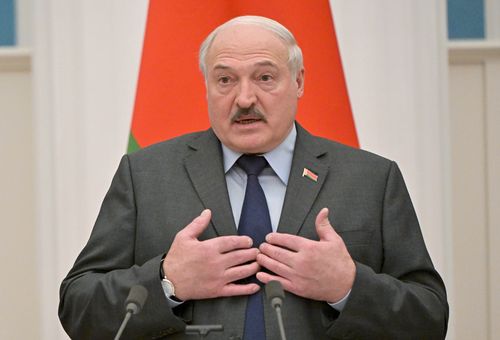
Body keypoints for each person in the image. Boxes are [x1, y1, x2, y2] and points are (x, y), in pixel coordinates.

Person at [59, 15, 448, 339]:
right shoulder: (145, 175)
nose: (244, 98)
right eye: (225, 80)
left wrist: (347, 286)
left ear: (297, 83)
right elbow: (78, 307)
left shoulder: (371, 179)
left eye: (265, 77)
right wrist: (166, 281)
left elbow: (430, 318)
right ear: (207, 87)